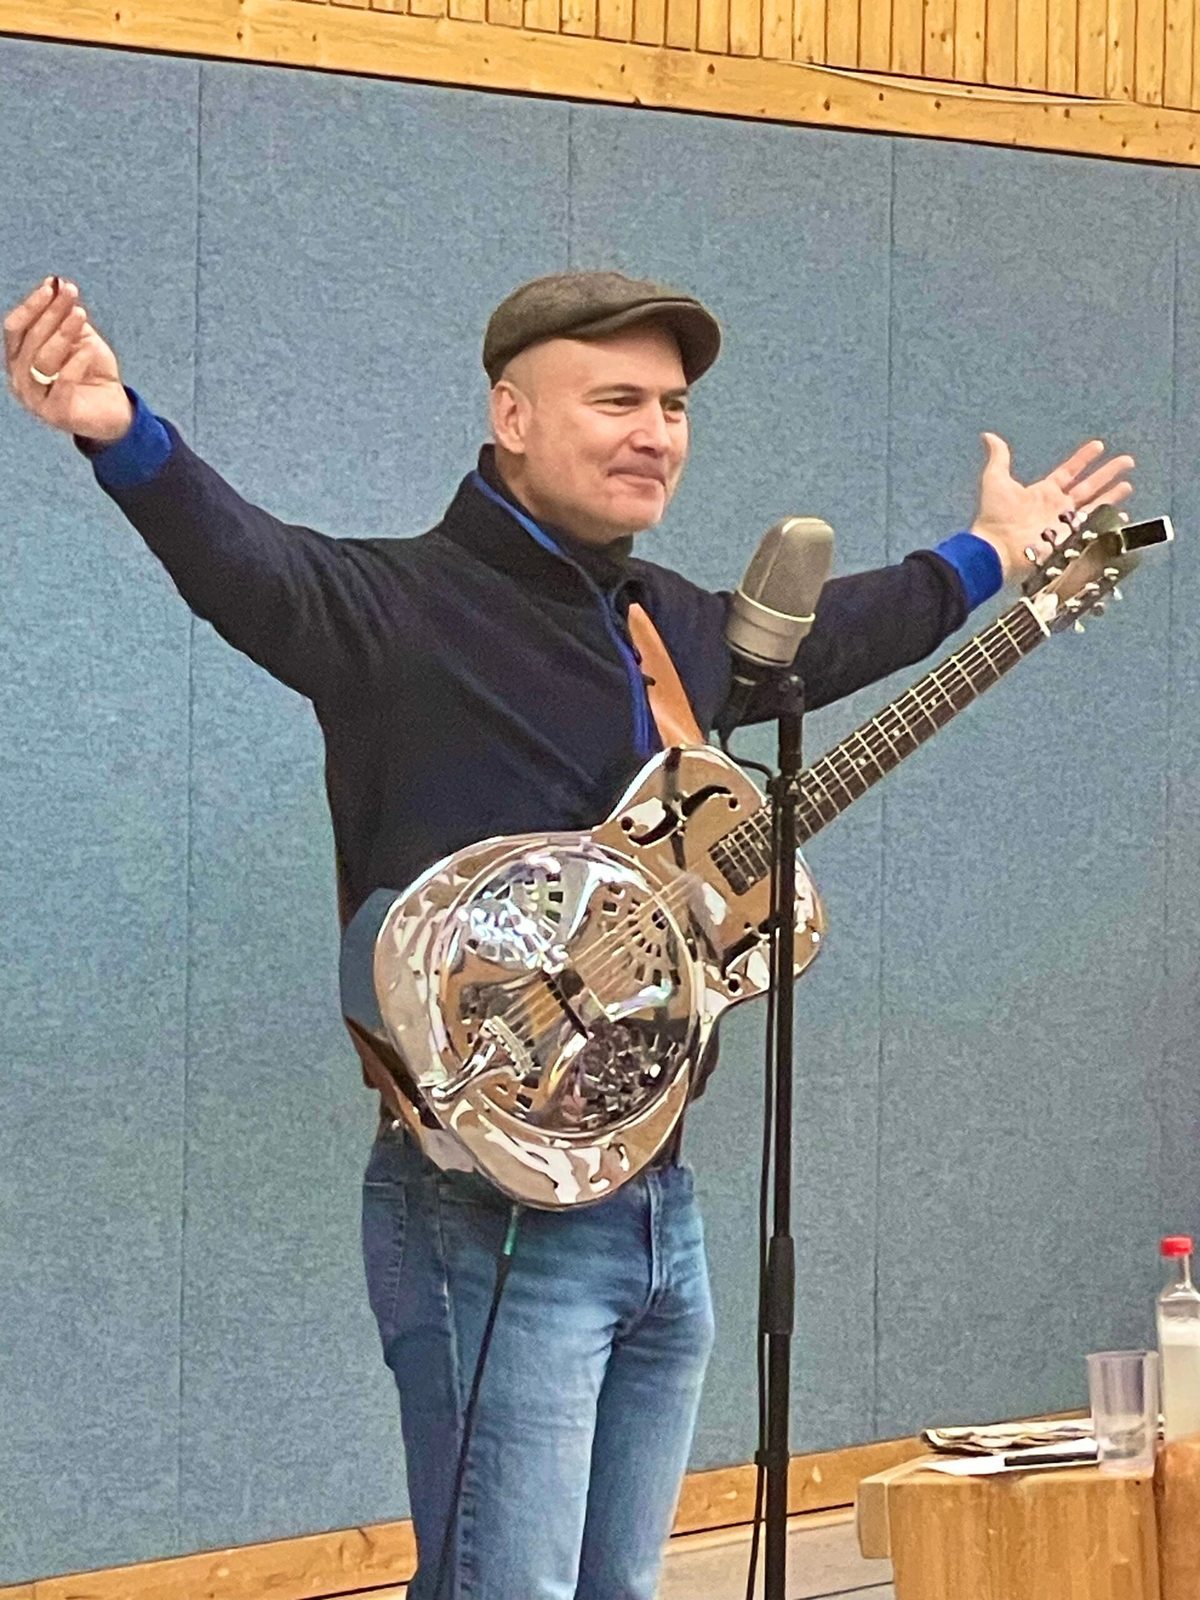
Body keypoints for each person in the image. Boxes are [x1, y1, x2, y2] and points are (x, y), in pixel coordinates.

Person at [4, 269, 1134, 1600]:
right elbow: (249, 566)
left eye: (673, 403)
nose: (656, 430)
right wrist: (117, 428)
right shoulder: (398, 609)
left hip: (660, 1209)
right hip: (485, 1224)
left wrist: (993, 554)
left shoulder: (667, 622)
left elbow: (836, 636)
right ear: (513, 415)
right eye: (616, 399)